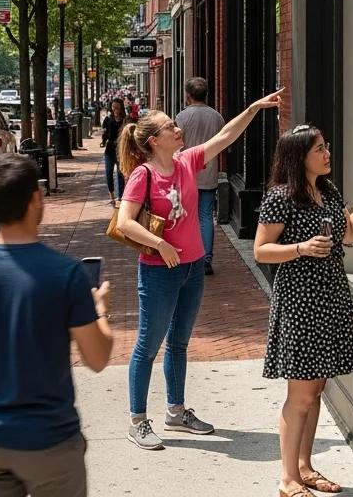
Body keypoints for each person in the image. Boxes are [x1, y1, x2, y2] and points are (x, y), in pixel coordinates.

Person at [118, 89, 283, 451]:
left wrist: (253, 106)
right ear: (153, 140)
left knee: (179, 343)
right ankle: (138, 420)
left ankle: (175, 412)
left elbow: (225, 137)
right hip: (159, 271)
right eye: (170, 126)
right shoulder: (143, 176)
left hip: (192, 268)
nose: (178, 128)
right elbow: (124, 221)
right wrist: (160, 243)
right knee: (148, 345)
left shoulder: (187, 162)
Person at [0, 155, 113, 497]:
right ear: (36, 199)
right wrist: (100, 312)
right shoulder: (67, 274)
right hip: (50, 439)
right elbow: (97, 358)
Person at [254, 124, 353, 496]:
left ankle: (304, 466)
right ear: (300, 156)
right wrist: (300, 248)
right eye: (319, 149)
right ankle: (287, 479)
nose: (327, 153)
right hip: (300, 300)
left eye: (326, 146)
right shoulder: (281, 196)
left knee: (316, 390)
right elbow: (261, 250)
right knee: (299, 395)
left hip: (330, 297)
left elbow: (349, 235)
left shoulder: (327, 191)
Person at [175, 77, 225, 275]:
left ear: (188, 96)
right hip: (209, 174)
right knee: (206, 217)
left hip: (187, 175)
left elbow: (177, 145)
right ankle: (206, 259)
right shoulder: (217, 117)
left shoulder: (182, 117)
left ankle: (189, 256)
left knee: (186, 216)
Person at [101, 98, 127, 207]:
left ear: (121, 108)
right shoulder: (108, 119)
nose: (115, 109)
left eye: (117, 107)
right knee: (109, 172)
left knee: (121, 173)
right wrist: (103, 140)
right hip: (110, 149)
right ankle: (111, 196)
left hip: (121, 149)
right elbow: (105, 134)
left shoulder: (125, 120)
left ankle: (120, 196)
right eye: (113, 107)